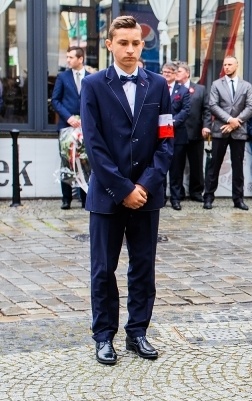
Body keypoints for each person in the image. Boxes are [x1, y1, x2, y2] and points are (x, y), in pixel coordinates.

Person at [80, 15, 173, 366]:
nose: (131, 49)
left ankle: (138, 332)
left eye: (136, 43)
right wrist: (122, 189)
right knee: (103, 269)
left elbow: (166, 142)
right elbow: (94, 144)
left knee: (143, 267)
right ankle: (104, 335)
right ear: (110, 45)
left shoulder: (158, 86)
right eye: (123, 43)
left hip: (146, 197)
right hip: (107, 195)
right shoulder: (93, 86)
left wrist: (144, 186)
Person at [204, 55, 252, 210]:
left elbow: (250, 106)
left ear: (236, 65)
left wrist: (235, 122)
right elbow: (213, 105)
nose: (226, 67)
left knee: (238, 167)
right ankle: (208, 198)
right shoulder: (216, 84)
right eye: (225, 64)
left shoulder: (246, 86)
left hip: (238, 131)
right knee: (214, 165)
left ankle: (238, 199)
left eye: (229, 64)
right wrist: (230, 119)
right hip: (220, 130)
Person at [51, 46, 88, 209]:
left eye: (71, 57)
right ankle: (66, 199)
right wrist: (69, 117)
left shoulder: (91, 77)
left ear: (80, 59)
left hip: (86, 127)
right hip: (67, 127)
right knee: (67, 161)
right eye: (67, 57)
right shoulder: (62, 77)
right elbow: (55, 100)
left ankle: (86, 198)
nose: (68, 60)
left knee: (86, 161)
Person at [175, 60, 209, 202]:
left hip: (196, 132)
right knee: (177, 165)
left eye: (179, 71)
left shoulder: (200, 89)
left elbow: (206, 110)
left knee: (196, 165)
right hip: (177, 133)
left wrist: (206, 126)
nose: (176, 74)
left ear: (187, 73)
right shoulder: (173, 89)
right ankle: (178, 192)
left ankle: (196, 192)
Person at [162, 61, 191, 210]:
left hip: (177, 134)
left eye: (169, 72)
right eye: (164, 72)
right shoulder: (158, 87)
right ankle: (160, 198)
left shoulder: (183, 91)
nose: (166, 75)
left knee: (176, 169)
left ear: (175, 74)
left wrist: (173, 122)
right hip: (159, 135)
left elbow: (186, 110)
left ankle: (175, 198)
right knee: (159, 166)